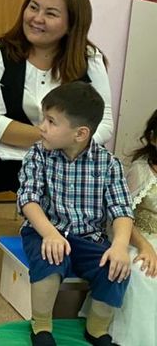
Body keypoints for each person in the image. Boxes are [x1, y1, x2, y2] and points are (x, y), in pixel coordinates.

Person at [18, 82, 132, 346]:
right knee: (49, 260)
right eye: (43, 118)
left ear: (80, 134)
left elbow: (121, 210)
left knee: (115, 269)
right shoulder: (37, 155)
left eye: (51, 121)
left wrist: (119, 246)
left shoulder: (108, 164)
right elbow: (28, 199)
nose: (42, 127)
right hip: (45, 231)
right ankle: (41, 326)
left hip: (90, 238)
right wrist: (50, 234)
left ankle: (97, 329)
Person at [0, 0, 114, 194]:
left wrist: (71, 146)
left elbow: (104, 122)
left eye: (51, 14)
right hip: (15, 160)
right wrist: (57, 139)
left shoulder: (89, 58)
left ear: (71, 25)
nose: (37, 18)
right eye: (33, 8)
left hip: (75, 159)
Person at [109, 110, 157, 345]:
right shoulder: (141, 171)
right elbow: (123, 216)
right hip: (139, 237)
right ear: (154, 138)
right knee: (145, 272)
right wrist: (145, 247)